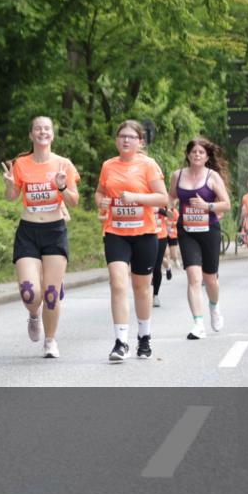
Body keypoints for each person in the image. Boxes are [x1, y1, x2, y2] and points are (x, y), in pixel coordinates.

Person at [1, 116, 80, 358]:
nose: (42, 132)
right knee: (29, 293)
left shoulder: (63, 164)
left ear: (52, 134)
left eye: (47, 129)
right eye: (38, 128)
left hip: (54, 231)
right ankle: (34, 315)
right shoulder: (21, 164)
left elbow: (74, 202)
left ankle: (50, 341)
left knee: (51, 295)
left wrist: (62, 187)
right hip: (28, 230)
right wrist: (9, 184)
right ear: (31, 134)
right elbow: (12, 197)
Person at [95, 120, 169, 362]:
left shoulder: (148, 165)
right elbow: (100, 192)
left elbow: (162, 198)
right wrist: (102, 202)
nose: (126, 140)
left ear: (140, 142)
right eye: (122, 136)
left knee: (141, 288)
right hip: (116, 232)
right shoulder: (108, 166)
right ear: (117, 140)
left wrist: (136, 197)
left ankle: (144, 337)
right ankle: (121, 342)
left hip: (145, 234)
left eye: (131, 137)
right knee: (117, 283)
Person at [168, 138, 232, 339]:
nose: (197, 155)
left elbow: (226, 204)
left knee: (210, 279)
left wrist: (207, 206)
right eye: (193, 151)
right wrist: (166, 209)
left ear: (206, 157)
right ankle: (198, 324)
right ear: (188, 155)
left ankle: (214, 307)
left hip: (209, 230)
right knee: (193, 277)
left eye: (201, 152)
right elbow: (171, 197)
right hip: (187, 231)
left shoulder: (212, 177)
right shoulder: (177, 175)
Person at [152, 205, 170, 308]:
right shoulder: (142, 196)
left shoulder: (162, 200)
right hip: (146, 235)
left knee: (157, 266)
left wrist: (159, 209)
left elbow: (170, 214)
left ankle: (155, 295)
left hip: (160, 236)